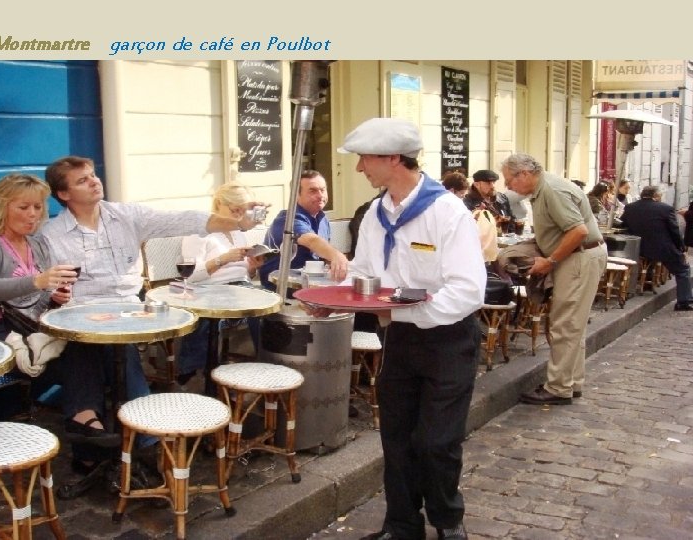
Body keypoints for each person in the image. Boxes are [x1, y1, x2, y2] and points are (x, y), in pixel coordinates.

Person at [41, 156, 269, 447]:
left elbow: (183, 219)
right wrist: (54, 294)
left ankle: (93, 430)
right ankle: (139, 432)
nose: (94, 181)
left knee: (109, 349)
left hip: (128, 309)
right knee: (95, 347)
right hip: (81, 312)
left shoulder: (126, 216)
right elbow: (40, 282)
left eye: (93, 174)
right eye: (82, 180)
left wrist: (237, 221)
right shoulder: (51, 234)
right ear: (63, 194)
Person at [335, 117, 486, 540]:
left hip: (448, 339)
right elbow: (364, 274)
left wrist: (404, 314)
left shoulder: (446, 210)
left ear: (393, 158)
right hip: (399, 339)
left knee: (438, 442)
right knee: (396, 439)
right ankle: (401, 525)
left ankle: (447, 521)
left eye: (365, 159)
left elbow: (468, 291)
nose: (360, 168)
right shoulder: (376, 213)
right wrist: (328, 299)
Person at [0, 174, 106, 436]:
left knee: (90, 347)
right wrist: (38, 281)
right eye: (23, 207)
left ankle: (86, 425)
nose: (33, 214)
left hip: (30, 329)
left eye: (37, 207)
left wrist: (54, 297)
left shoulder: (37, 243)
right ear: (2, 207)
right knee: (79, 358)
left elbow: (37, 300)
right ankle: (87, 430)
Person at [501, 154, 607, 406]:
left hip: (578, 259)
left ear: (524, 174)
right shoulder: (546, 188)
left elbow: (578, 231)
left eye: (509, 180)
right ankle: (571, 382)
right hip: (580, 257)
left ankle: (559, 387)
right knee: (572, 324)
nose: (507, 187)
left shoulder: (551, 190)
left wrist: (550, 261)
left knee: (565, 325)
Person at [176, 182, 264, 386]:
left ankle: (267, 364)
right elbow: (190, 275)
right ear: (219, 205)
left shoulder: (237, 232)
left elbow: (244, 275)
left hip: (240, 289)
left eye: (243, 212)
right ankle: (194, 371)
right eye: (235, 210)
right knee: (209, 318)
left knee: (265, 308)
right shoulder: (199, 232)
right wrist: (222, 259)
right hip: (210, 290)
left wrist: (252, 267)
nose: (238, 216)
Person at [259, 170, 348, 291]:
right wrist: (337, 255)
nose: (320, 195)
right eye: (313, 191)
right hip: (281, 288)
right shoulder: (288, 218)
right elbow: (311, 240)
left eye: (323, 190)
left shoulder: (322, 218)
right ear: (296, 195)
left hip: (310, 284)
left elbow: (322, 255)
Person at [621, 185, 693, 311]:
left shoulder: (630, 207)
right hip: (661, 249)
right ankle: (684, 301)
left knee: (652, 261)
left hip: (638, 249)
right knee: (683, 270)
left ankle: (648, 281)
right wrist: (681, 248)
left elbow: (623, 224)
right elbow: (674, 231)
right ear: (656, 196)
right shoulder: (665, 209)